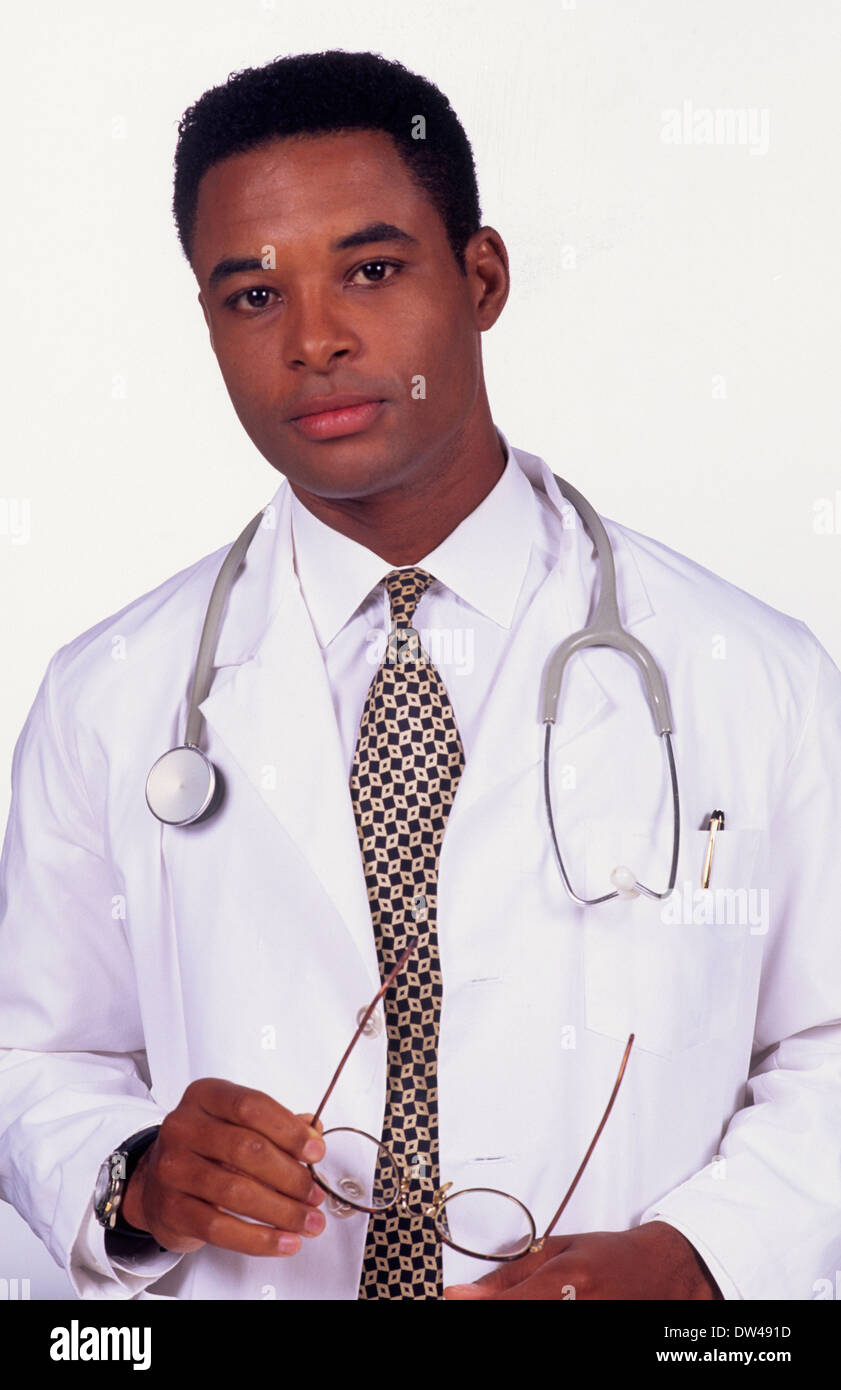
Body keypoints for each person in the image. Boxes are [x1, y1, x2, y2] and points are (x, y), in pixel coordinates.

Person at [1, 48, 840, 1303]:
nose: (315, 339)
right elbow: (36, 1050)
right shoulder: (108, 695)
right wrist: (128, 1175)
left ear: (481, 277)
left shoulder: (753, 675)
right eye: (251, 297)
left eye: (372, 270)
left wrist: (707, 1257)